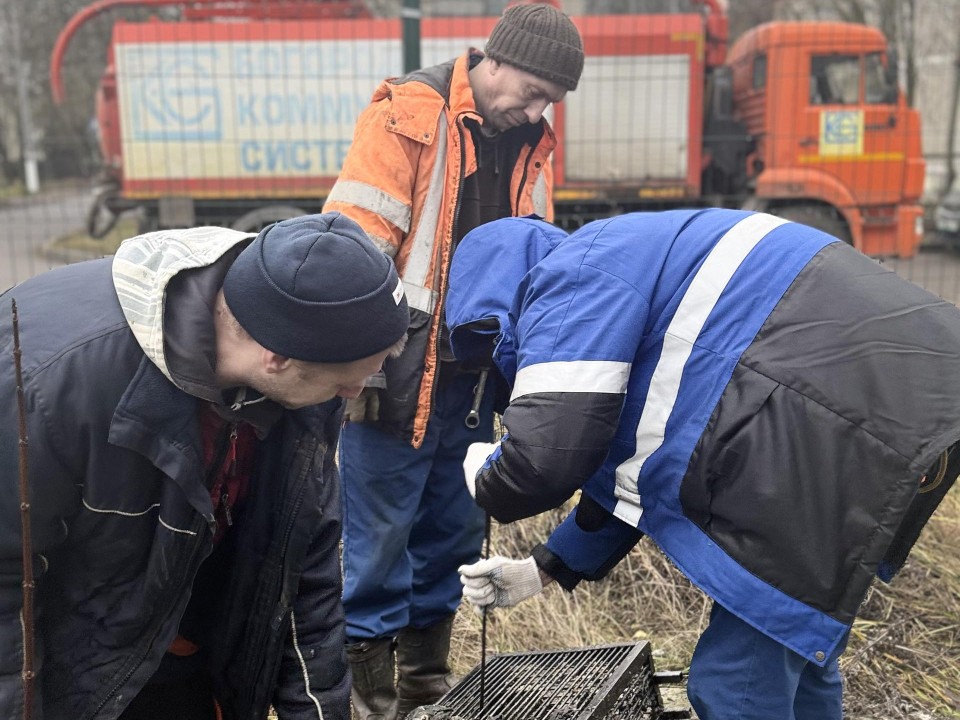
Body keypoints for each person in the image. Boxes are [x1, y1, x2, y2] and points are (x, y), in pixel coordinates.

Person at [446, 210, 960, 720]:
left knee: (735, 686)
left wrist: (491, 475)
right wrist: (544, 568)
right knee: (793, 648)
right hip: (883, 407)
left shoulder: (574, 274)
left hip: (828, 425)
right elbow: (628, 474)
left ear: (496, 301)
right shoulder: (628, 279)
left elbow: (542, 460)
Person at [0, 212, 410, 720]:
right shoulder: (47, 385)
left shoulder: (306, 358)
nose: (353, 396)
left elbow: (301, 564)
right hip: (70, 672)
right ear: (277, 357)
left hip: (184, 652)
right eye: (345, 383)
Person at [320, 4, 584, 718]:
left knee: (451, 537)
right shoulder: (408, 112)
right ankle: (367, 702)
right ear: (495, 60)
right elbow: (354, 249)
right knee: (376, 546)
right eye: (533, 91)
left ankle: (425, 694)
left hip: (474, 384)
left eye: (551, 101)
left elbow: (535, 261)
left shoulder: (532, 141)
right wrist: (354, 369)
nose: (539, 109)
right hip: (395, 374)